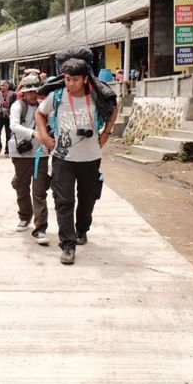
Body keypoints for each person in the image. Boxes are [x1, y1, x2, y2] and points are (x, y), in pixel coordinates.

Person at [35, 58, 118, 265]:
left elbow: (113, 109)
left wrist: (106, 132)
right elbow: (39, 113)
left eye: (75, 80)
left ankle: (82, 229)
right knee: (64, 201)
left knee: (87, 200)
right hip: (63, 158)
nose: (70, 83)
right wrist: (44, 136)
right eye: (67, 79)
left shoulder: (96, 96)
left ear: (84, 79)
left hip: (90, 158)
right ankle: (68, 246)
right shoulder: (57, 96)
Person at [8, 74, 50, 244]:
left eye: (35, 91)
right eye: (29, 91)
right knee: (22, 187)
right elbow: (13, 125)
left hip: (41, 152)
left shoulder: (44, 106)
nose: (33, 94)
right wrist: (33, 133)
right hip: (21, 153)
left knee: (39, 191)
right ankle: (25, 216)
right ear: (23, 93)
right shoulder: (18, 106)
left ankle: (40, 228)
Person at [0, 79, 17, 156]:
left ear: (7, 86)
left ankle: (7, 150)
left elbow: (15, 106)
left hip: (9, 116)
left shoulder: (12, 95)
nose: (2, 87)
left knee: (8, 134)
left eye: (4, 86)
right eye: (1, 86)